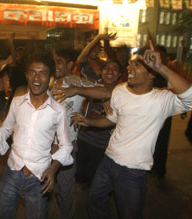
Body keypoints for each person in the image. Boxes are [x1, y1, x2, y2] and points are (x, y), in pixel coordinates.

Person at [71, 41, 192, 219]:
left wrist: (161, 68)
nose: (129, 67)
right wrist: (89, 121)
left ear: (151, 74)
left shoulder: (163, 99)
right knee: (95, 201)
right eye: (131, 63)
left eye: (136, 64)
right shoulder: (120, 91)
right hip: (108, 160)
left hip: (132, 171)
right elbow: (112, 119)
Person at [0, 53, 74, 219]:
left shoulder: (58, 111)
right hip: (11, 173)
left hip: (39, 179)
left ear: (50, 77)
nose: (36, 78)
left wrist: (53, 168)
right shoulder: (17, 102)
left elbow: (66, 146)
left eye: (43, 73)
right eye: (32, 72)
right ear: (26, 75)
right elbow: (7, 127)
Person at [55, 59, 122, 188]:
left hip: (104, 144)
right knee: (79, 174)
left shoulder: (123, 91)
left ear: (119, 74)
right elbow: (80, 60)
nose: (110, 72)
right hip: (84, 137)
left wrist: (77, 90)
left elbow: (107, 93)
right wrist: (99, 37)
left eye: (114, 69)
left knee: (96, 181)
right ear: (101, 72)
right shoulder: (93, 85)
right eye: (107, 68)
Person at [51, 48, 97, 219]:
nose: (55, 65)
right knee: (49, 186)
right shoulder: (52, 82)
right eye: (54, 61)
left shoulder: (76, 82)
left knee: (65, 189)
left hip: (66, 146)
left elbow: (104, 91)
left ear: (70, 65)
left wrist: (78, 90)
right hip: (47, 145)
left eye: (59, 61)